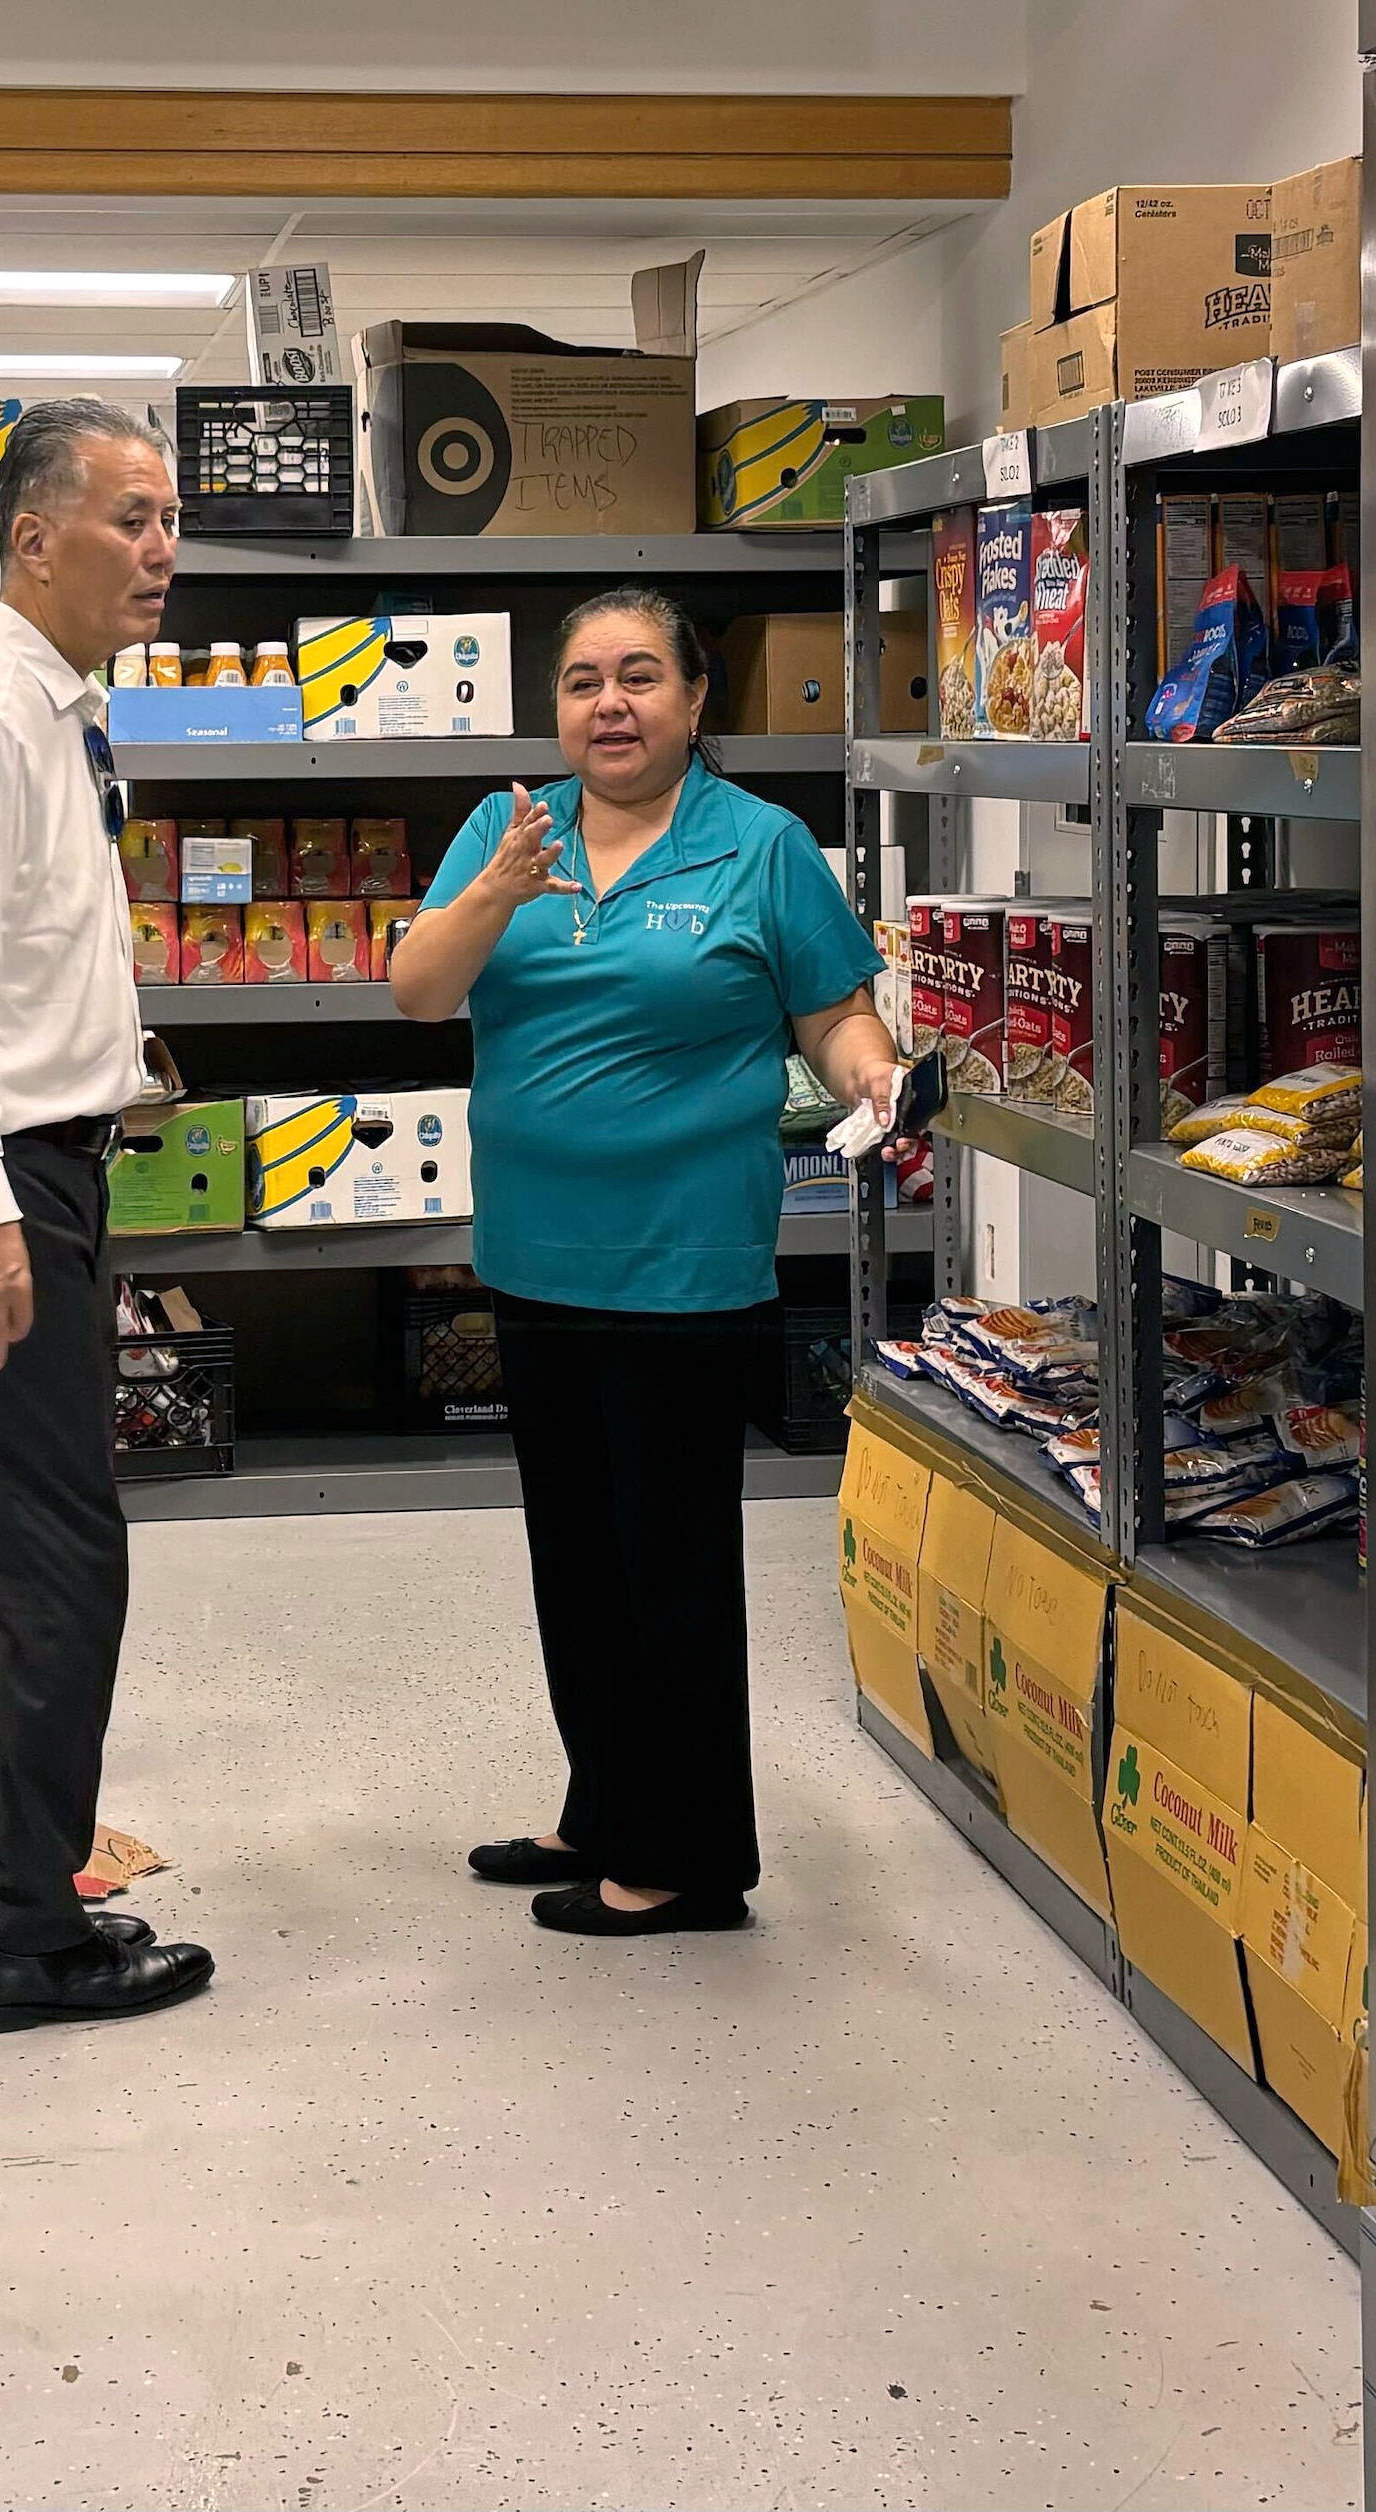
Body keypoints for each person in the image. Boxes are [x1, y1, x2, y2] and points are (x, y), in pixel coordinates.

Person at [388, 585, 904, 1937]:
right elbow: (420, 992)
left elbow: (833, 1013)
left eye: (637, 677)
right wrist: (495, 888)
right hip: (532, 1253)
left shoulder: (760, 845)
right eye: (581, 682)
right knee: (574, 1555)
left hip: (683, 1257)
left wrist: (875, 1074)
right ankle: (605, 1801)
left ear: (693, 699)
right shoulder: (508, 830)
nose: (607, 704)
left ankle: (686, 1860)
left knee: (667, 1559)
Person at [0, 399, 212, 2033]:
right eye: (132, 518)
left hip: (39, 1167)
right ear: (31, 538)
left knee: (15, 1560)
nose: (162, 549)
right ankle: (29, 1942)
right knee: (69, 1562)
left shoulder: (59, 708)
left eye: (169, 520)